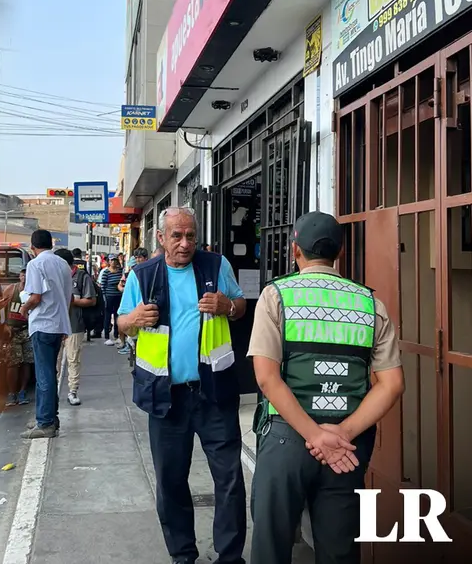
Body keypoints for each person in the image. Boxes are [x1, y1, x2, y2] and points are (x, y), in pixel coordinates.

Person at [247, 211, 404, 564]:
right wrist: (341, 433)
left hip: (287, 439)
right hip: (346, 447)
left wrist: (313, 436)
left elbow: (267, 378)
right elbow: (392, 385)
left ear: (294, 251)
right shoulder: (369, 304)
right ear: (341, 253)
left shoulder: (277, 297)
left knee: (271, 548)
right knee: (340, 550)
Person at [117, 207, 247, 564]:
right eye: (176, 236)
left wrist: (227, 306)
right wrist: (134, 318)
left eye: (190, 235)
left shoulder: (216, 266)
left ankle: (230, 556)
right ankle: (183, 555)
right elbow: (121, 324)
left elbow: (240, 305)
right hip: (166, 400)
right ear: (161, 238)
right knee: (172, 484)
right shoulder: (142, 276)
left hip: (214, 394)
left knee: (230, 479)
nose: (185, 243)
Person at [20, 229, 72, 439]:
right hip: (59, 324)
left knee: (44, 376)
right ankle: (50, 417)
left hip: (42, 324)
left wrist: (24, 309)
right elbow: (67, 297)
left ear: (33, 247)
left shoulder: (35, 264)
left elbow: (35, 297)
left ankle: (46, 422)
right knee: (50, 373)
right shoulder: (63, 264)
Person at [54, 248, 97, 406]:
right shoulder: (53, 277)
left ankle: (72, 390)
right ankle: (55, 390)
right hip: (55, 325)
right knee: (55, 360)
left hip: (74, 325)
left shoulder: (81, 277)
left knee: (73, 359)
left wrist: (72, 301)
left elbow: (91, 300)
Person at [1, 269, 32, 406]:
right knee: (12, 363)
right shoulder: (11, 289)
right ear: (19, 276)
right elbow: (1, 306)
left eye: (27, 274)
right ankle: (11, 393)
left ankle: (22, 391)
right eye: (22, 274)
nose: (24, 277)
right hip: (12, 330)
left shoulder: (33, 292)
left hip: (28, 330)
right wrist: (5, 325)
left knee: (27, 362)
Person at [99, 258, 124, 347]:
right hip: (109, 296)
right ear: (109, 262)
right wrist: (104, 297)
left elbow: (123, 281)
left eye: (114, 261)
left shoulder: (120, 271)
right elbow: (103, 285)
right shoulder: (106, 272)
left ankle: (116, 334)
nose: (113, 263)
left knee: (118, 315)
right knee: (107, 315)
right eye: (111, 261)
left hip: (118, 296)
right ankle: (106, 335)